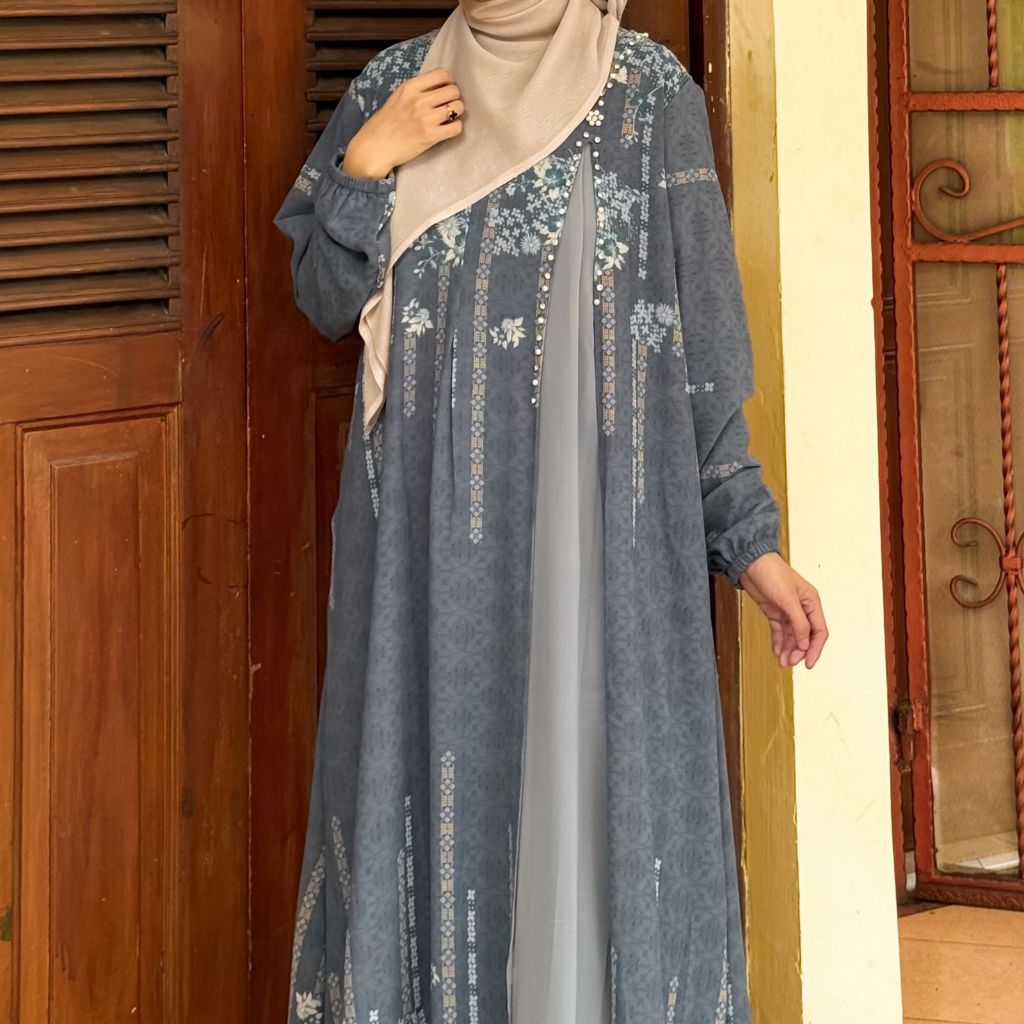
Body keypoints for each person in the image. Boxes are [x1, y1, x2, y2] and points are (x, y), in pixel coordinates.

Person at [275, 0, 828, 1021]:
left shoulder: (649, 97)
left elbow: (704, 345)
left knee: (600, 818)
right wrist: (369, 161)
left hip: (605, 564)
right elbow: (320, 295)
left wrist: (750, 541)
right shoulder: (397, 85)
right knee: (447, 814)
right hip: (433, 572)